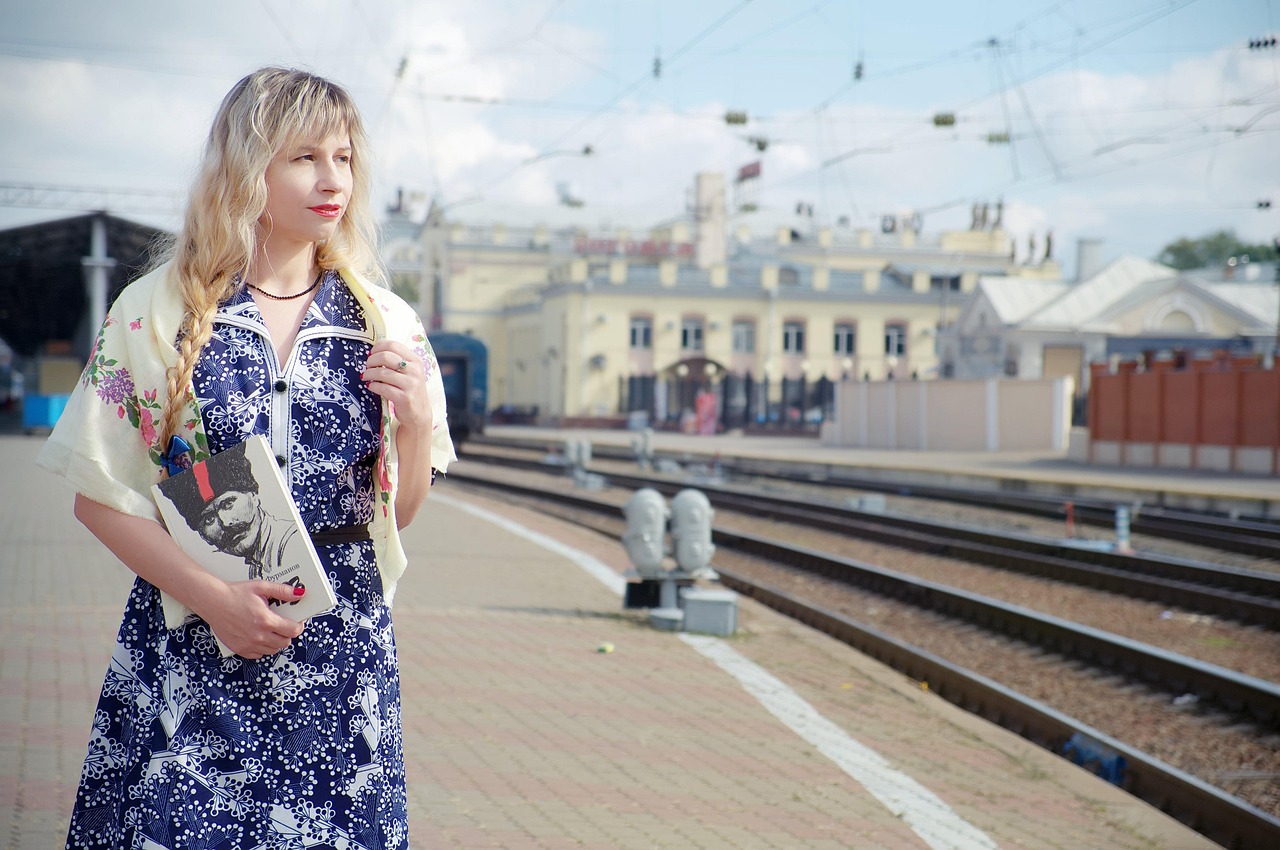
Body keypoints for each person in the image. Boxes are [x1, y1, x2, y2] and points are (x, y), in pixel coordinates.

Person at [37, 67, 455, 850]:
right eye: (304, 157)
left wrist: (417, 425)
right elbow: (97, 498)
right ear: (245, 166)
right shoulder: (157, 309)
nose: (333, 180)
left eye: (345, 157)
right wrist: (214, 597)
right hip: (196, 639)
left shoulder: (384, 320)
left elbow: (391, 522)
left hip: (338, 654)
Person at [160, 444, 303, 581]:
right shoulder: (256, 564)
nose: (226, 522)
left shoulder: (291, 543)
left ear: (252, 496)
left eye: (228, 504)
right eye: (209, 519)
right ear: (203, 536)